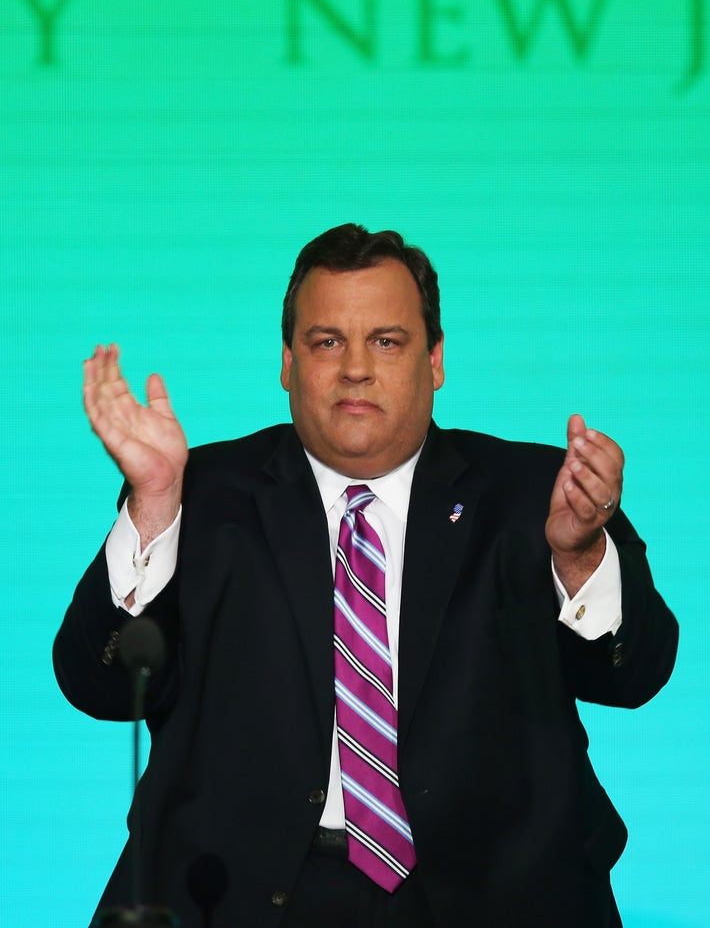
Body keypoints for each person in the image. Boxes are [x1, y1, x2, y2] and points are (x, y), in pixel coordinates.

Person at [54, 223, 678, 928]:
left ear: (435, 359)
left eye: (387, 340)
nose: (355, 367)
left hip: (496, 894)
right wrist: (153, 507)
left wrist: (579, 557)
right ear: (288, 362)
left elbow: (636, 676)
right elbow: (98, 686)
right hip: (240, 894)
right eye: (326, 341)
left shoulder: (537, 496)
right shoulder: (199, 494)